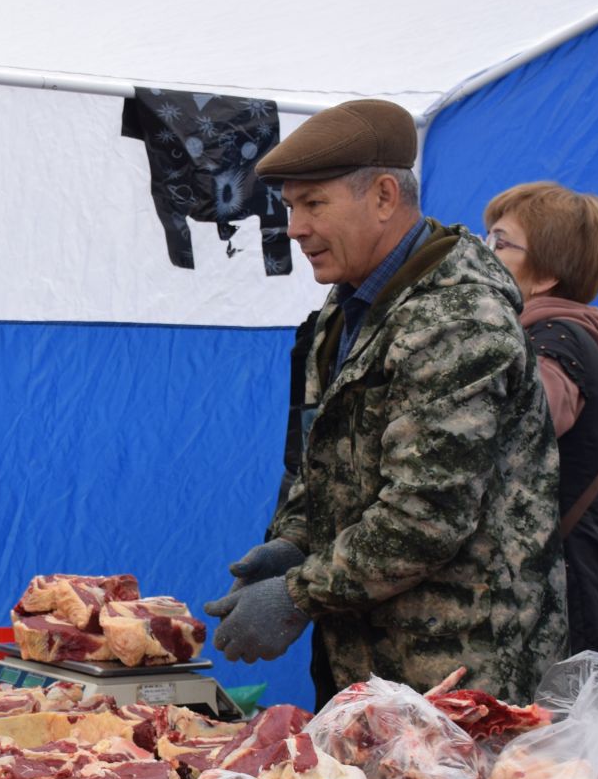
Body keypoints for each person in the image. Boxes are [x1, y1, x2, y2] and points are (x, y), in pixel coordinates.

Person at [208, 99, 567, 705]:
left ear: (382, 196)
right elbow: (323, 458)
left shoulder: (457, 318)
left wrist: (298, 593)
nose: (294, 228)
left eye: (313, 204)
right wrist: (295, 538)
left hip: (457, 675)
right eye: (291, 206)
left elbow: (426, 516)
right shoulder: (350, 302)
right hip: (368, 663)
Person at [484, 181, 598, 722]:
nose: (484, 253)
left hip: (570, 599)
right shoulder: (556, 335)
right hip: (576, 587)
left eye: (501, 243)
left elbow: (516, 429)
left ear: (548, 272)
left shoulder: (554, 341)